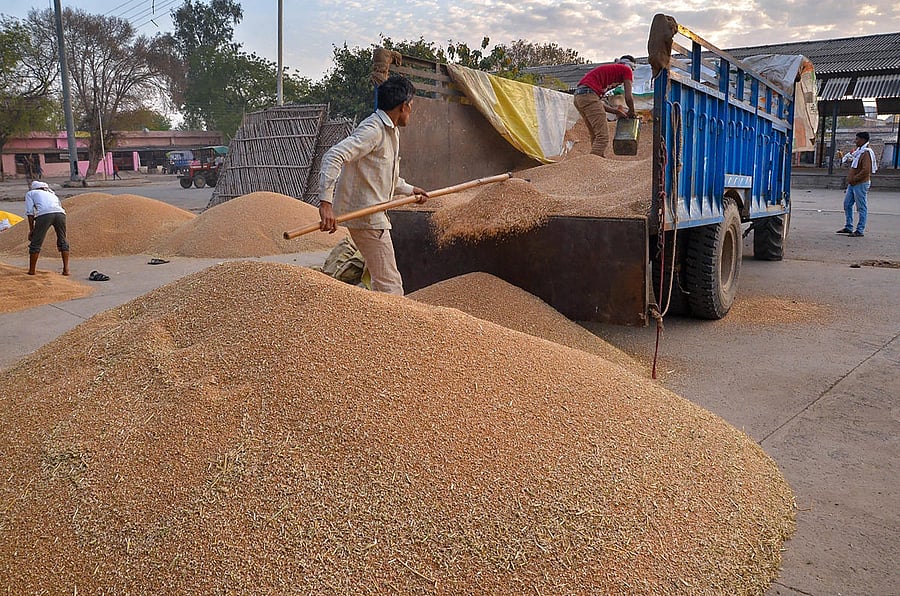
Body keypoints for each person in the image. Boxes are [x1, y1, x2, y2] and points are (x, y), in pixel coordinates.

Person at [317, 74, 428, 295]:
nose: (411, 112)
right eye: (411, 106)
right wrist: (326, 203)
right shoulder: (373, 130)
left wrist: (409, 189)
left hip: (373, 214)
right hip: (368, 217)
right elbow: (333, 156)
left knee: (380, 278)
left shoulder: (390, 131)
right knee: (391, 284)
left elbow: (384, 175)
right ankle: (394, 325)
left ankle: (376, 320)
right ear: (403, 106)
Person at [573, 56, 638, 156]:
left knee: (595, 135)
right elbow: (628, 97)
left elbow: (596, 102)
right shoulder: (626, 70)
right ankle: (592, 165)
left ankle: (597, 161)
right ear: (631, 66)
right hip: (588, 95)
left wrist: (616, 111)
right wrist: (632, 112)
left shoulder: (611, 71)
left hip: (579, 97)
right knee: (602, 137)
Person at [836, 132, 877, 237]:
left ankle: (860, 230)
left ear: (863, 140)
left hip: (860, 183)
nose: (855, 141)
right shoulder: (859, 152)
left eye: (857, 139)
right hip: (853, 183)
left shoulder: (866, 153)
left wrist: (854, 178)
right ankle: (849, 226)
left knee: (861, 207)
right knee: (847, 204)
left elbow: (866, 170)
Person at [25, 180, 70, 276]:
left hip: (44, 215)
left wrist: (32, 230)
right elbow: (59, 206)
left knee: (36, 243)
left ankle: (32, 271)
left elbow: (30, 213)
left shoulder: (31, 193)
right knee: (62, 240)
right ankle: (66, 270)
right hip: (60, 214)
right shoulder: (52, 194)